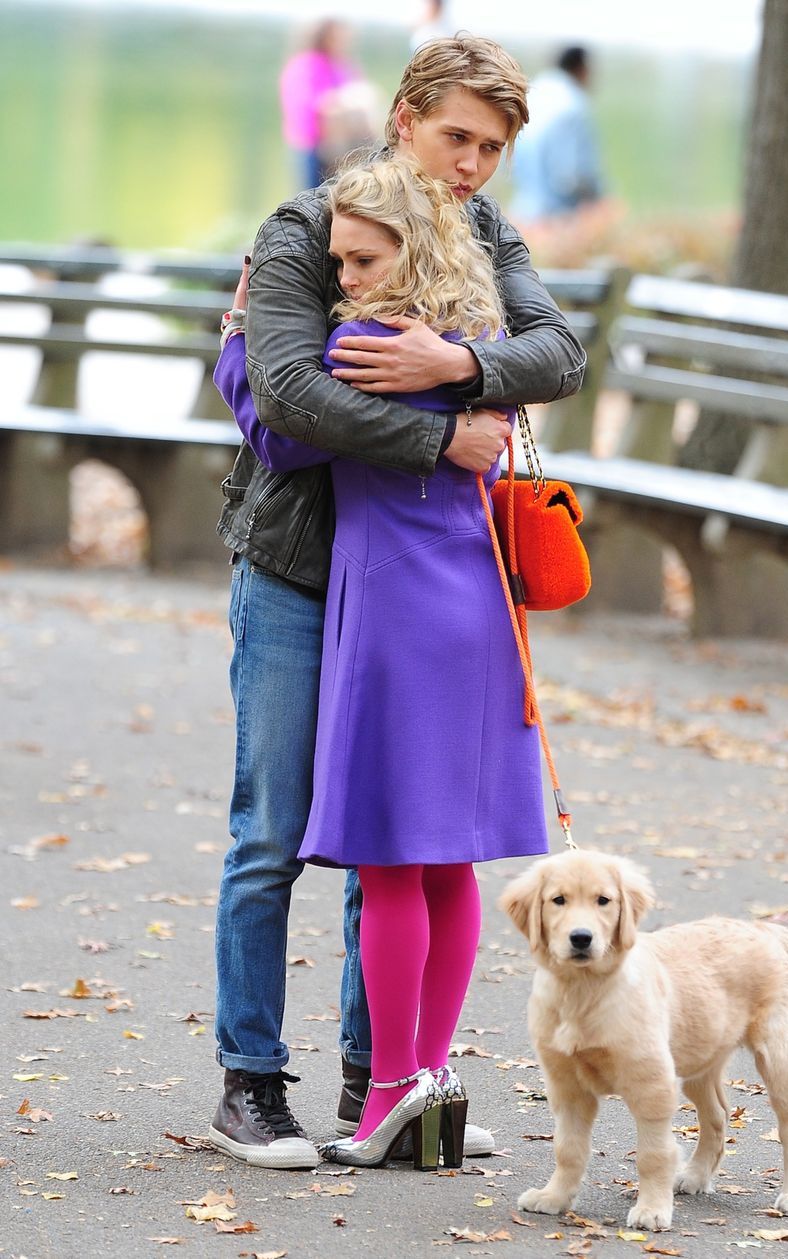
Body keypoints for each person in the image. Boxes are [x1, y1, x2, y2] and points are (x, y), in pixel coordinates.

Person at [209, 34, 586, 1171]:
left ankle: (386, 1086)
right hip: (299, 571)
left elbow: (559, 349)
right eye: (456, 135)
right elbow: (284, 393)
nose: (471, 164)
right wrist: (446, 433)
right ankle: (251, 1082)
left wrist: (461, 367)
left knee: (405, 839)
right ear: (406, 115)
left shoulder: (483, 234)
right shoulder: (305, 229)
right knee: (274, 832)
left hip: (419, 581)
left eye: (492, 146)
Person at [510, 46, 604, 223]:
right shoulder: (573, 104)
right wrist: (599, 199)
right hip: (556, 217)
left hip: (524, 210)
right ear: (582, 69)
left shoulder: (534, 93)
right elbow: (571, 174)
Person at [279, 18, 365, 190]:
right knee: (310, 196)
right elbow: (308, 101)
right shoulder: (306, 64)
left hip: (339, 146)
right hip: (311, 142)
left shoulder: (342, 65)